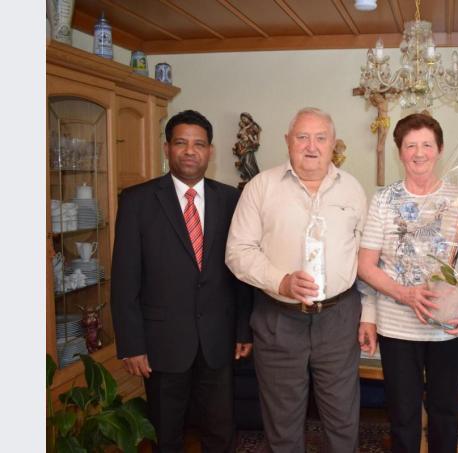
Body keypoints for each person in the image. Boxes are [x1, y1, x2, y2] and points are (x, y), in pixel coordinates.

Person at [225, 107, 367, 452]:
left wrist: (371, 314)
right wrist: (281, 281)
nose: (311, 146)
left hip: (339, 318)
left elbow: (366, 258)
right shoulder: (261, 187)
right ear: (288, 142)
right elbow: (237, 251)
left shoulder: (352, 189)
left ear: (334, 144)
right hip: (278, 319)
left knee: (343, 418)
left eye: (321, 138)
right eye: (302, 137)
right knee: (282, 420)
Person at [111, 109, 253, 452]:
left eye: (199, 144)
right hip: (162, 343)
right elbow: (124, 278)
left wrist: (242, 330)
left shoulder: (232, 200)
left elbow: (242, 270)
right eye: (181, 143)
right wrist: (131, 343)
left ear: (210, 151)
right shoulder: (137, 201)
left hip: (218, 340)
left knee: (220, 432)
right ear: (166, 149)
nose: (190, 151)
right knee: (167, 434)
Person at [357, 113, 458, 453]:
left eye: (427, 144)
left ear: (439, 150)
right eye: (411, 145)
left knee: (446, 413)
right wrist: (406, 294)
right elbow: (366, 265)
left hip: (449, 327)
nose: (419, 152)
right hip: (397, 328)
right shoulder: (383, 199)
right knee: (403, 417)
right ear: (400, 152)